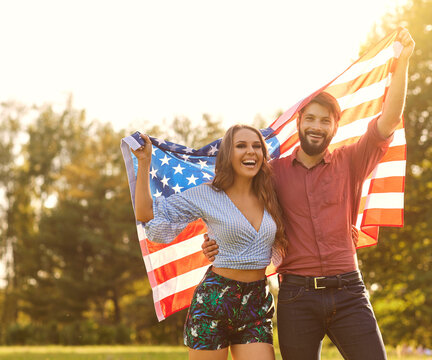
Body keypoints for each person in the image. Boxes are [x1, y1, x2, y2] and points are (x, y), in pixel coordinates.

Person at [202, 29, 415, 359]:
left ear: (334, 126)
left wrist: (402, 65)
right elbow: (238, 206)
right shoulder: (272, 173)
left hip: (349, 292)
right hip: (296, 297)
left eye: (325, 121)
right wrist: (214, 237)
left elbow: (387, 121)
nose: (317, 126)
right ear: (300, 122)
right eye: (310, 119)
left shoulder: (350, 161)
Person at [133, 124, 287, 360]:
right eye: (241, 146)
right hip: (214, 301)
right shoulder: (207, 194)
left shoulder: (272, 194)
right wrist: (145, 163)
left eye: (257, 146)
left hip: (256, 302)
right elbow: (146, 214)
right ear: (227, 154)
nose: (251, 152)